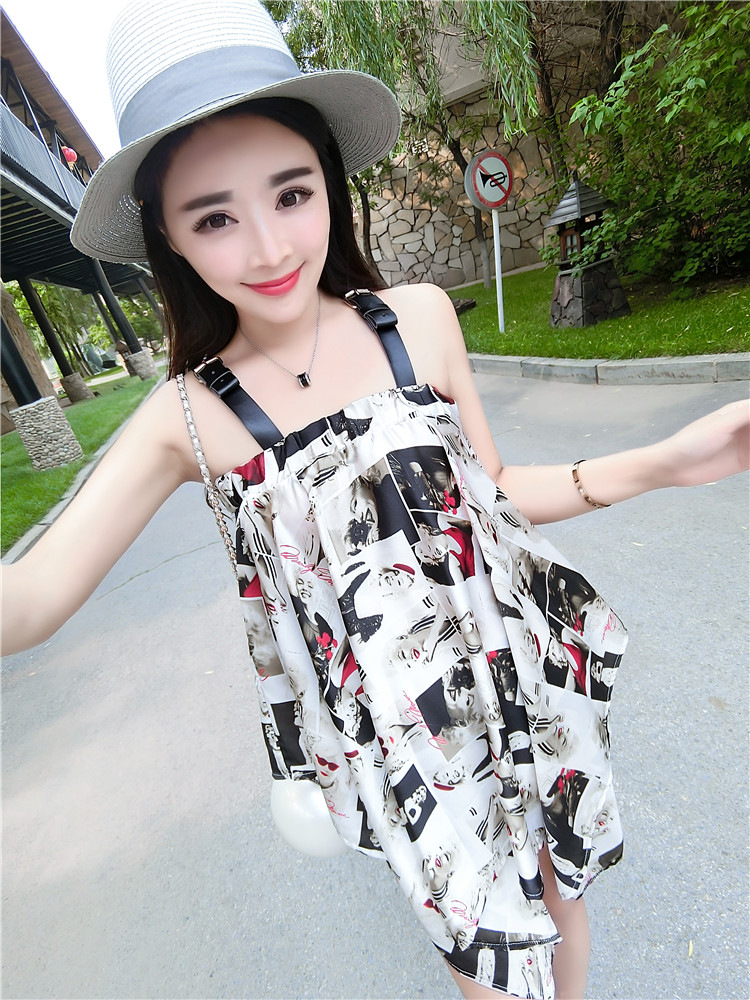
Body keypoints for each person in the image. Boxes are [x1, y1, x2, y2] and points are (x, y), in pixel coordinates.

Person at [1, 1, 748, 997]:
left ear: (330, 183)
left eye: (291, 194)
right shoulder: (186, 418)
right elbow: (32, 598)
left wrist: (664, 461)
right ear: (168, 237)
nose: (269, 247)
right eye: (215, 217)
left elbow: (490, 498)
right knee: (490, 964)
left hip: (517, 675)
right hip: (404, 740)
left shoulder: (420, 321)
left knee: (565, 902)